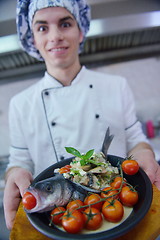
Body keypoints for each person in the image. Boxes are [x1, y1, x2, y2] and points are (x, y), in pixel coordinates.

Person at [3, 0, 160, 231]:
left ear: (81, 31)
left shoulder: (116, 86)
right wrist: (15, 173)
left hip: (118, 211)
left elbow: (135, 139)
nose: (55, 36)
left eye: (65, 24)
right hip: (59, 219)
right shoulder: (19, 104)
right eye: (42, 28)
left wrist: (145, 152)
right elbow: (19, 160)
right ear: (32, 39)